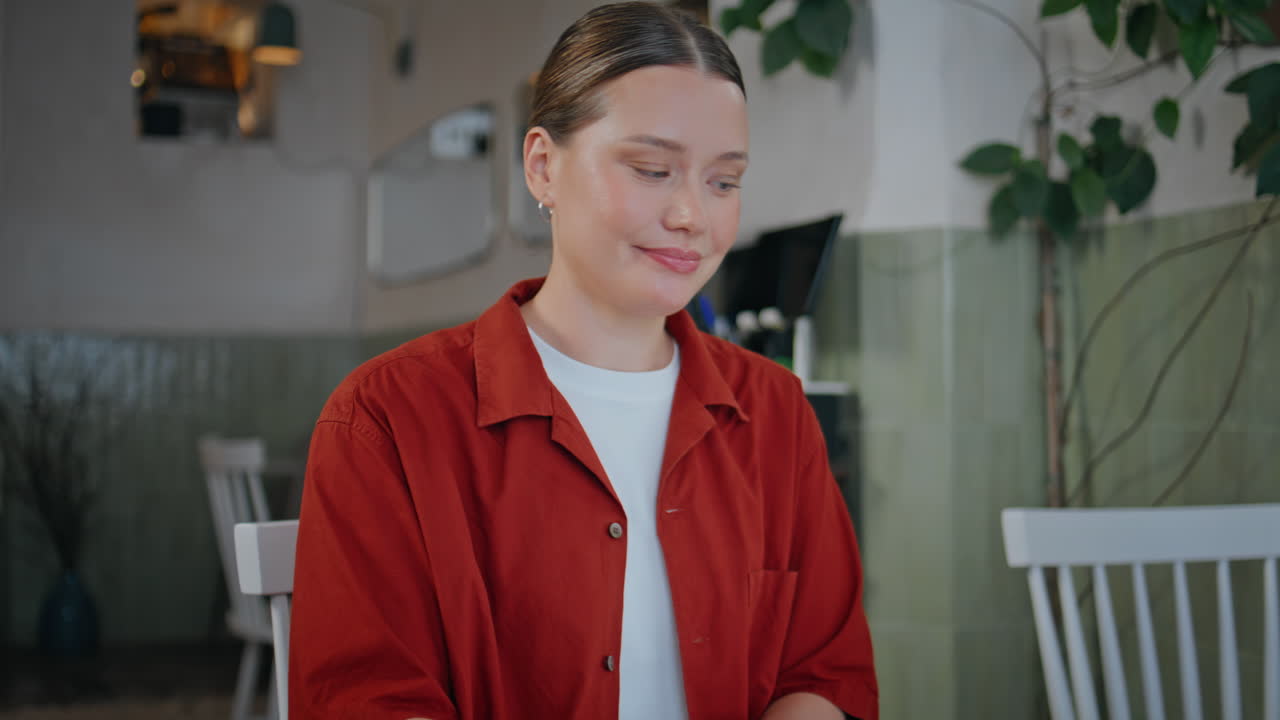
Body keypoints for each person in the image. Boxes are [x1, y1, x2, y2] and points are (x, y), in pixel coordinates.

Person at [289, 3, 878, 719]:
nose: (693, 215)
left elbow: (819, 675)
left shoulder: (776, 412)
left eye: (724, 182)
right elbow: (368, 698)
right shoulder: (388, 418)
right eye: (653, 169)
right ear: (543, 166)